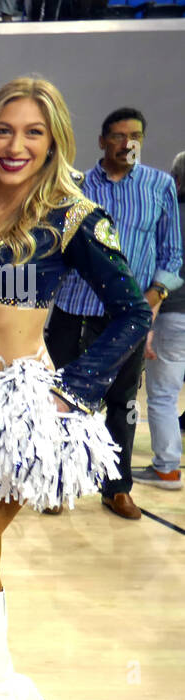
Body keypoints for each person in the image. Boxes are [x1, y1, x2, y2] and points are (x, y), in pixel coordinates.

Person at [0, 77, 151, 700]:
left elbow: (133, 311)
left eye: (32, 132)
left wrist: (74, 389)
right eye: (3, 130)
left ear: (53, 140)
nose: (15, 145)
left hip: (14, 415)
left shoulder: (73, 216)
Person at [47, 107, 183, 518]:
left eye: (135, 135)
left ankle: (117, 487)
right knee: (60, 402)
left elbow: (173, 252)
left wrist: (151, 299)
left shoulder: (159, 186)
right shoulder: (75, 186)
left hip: (127, 319)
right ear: (102, 141)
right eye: (119, 136)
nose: (128, 143)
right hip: (74, 311)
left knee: (123, 406)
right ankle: (55, 484)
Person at [133, 149, 185, 491]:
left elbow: (165, 271)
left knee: (163, 394)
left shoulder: (171, 215)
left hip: (173, 315)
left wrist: (146, 326)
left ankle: (167, 468)